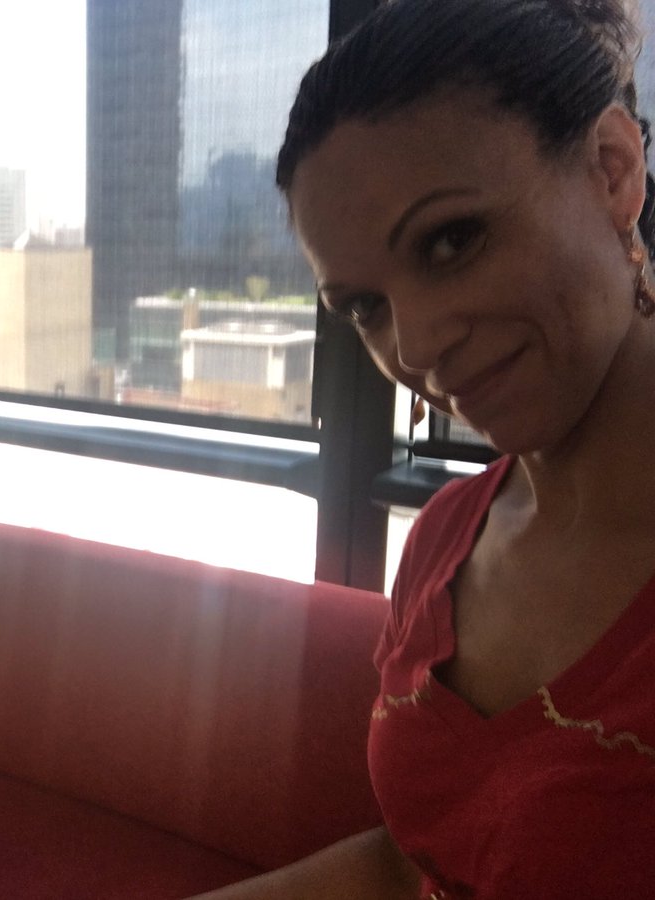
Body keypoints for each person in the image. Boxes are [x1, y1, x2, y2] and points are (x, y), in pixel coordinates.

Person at [192, 0, 655, 897]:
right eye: (365, 307)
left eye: (452, 241)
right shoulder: (448, 539)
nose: (417, 346)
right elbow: (417, 865)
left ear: (613, 169)